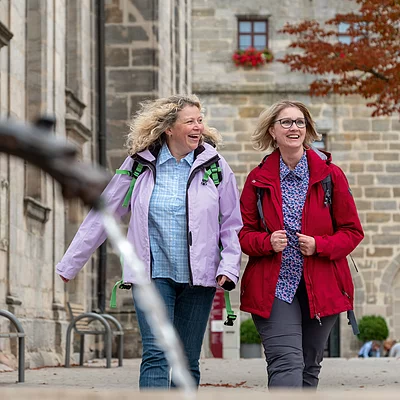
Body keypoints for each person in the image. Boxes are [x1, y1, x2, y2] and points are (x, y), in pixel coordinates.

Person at [56, 94, 242, 389]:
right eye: (190, 121)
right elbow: (103, 215)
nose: (198, 127)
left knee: (186, 359)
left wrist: (229, 267)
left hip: (201, 277)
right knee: (156, 354)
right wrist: (70, 264)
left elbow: (232, 224)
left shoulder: (215, 167)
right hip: (153, 274)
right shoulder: (139, 164)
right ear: (169, 128)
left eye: (200, 120)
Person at [239, 100, 364, 389]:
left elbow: (352, 231)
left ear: (307, 130)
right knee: (286, 363)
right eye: (286, 122)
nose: (294, 127)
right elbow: (244, 234)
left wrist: (319, 245)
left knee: (309, 367)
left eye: (300, 122)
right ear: (272, 130)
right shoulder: (258, 180)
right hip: (275, 287)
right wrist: (267, 241)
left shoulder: (330, 175)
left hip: (322, 285)